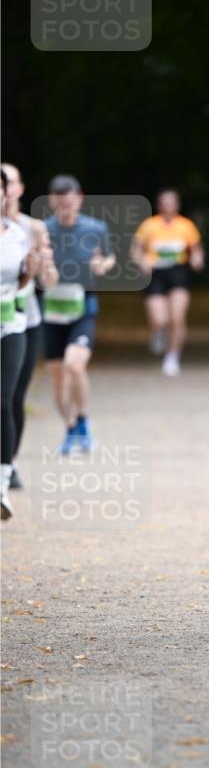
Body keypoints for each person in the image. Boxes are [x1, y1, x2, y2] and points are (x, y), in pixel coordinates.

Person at [44, 175, 116, 454]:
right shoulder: (43, 230)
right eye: (60, 205)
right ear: (52, 202)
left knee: (75, 365)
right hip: (52, 309)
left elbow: (108, 257)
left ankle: (83, 421)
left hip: (83, 307)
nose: (65, 209)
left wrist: (102, 265)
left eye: (70, 204)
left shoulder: (96, 228)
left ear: (80, 199)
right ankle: (70, 426)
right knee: (57, 377)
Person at [1, 162, 58, 488]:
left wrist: (41, 269)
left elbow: (49, 280)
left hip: (24, 321)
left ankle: (9, 463)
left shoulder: (32, 228)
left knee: (11, 396)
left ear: (19, 188)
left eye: (11, 182)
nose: (6, 188)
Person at [131, 189, 204, 376]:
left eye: (172, 202)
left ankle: (173, 356)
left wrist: (197, 259)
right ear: (159, 205)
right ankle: (158, 332)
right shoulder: (149, 225)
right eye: (165, 202)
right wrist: (141, 262)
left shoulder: (186, 225)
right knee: (159, 319)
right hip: (156, 273)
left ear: (177, 205)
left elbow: (196, 249)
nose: (168, 206)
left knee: (177, 318)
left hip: (178, 272)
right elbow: (136, 250)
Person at [1, 168, 29, 518]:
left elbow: (26, 282)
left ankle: (3, 484)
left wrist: (33, 273)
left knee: (4, 400)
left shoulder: (18, 234)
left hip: (12, 324)